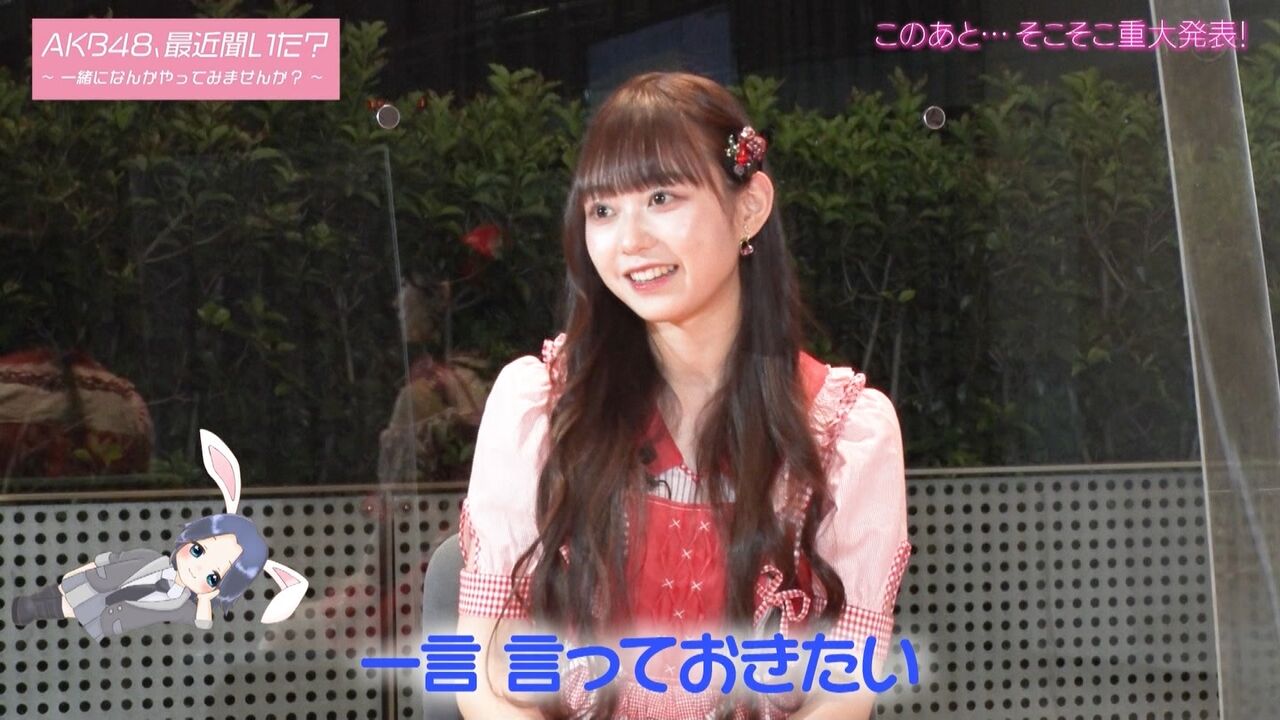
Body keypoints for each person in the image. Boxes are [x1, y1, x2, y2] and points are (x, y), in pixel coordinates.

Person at [455, 71, 912, 719]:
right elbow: (483, 669)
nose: (629, 241)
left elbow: (846, 689)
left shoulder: (843, 429)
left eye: (662, 197)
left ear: (749, 207)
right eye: (603, 210)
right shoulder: (540, 406)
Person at [10, 513, 268, 640]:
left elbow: (203, 623)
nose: (198, 569)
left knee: (70, 608)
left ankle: (30, 609)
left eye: (213, 577)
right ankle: (30, 606)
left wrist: (205, 598)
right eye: (198, 551)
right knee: (66, 591)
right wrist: (77, 572)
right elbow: (110, 560)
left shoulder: (180, 606)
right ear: (189, 540)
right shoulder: (149, 557)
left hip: (111, 615)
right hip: (98, 580)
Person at [378, 276, 492, 484]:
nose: (396, 303)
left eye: (404, 284)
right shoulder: (474, 377)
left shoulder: (419, 395)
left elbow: (400, 487)